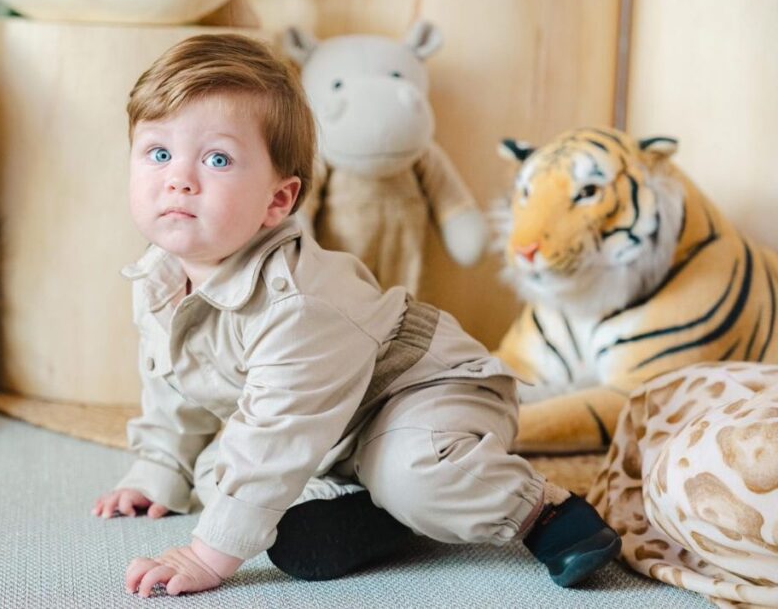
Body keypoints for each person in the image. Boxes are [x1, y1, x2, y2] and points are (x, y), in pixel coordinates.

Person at [92, 33, 621, 598]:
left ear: (279, 200)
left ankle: (545, 513)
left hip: (423, 389)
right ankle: (371, 510)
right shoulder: (158, 276)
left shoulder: (300, 303)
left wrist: (206, 554)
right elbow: (174, 382)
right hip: (330, 428)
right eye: (158, 153)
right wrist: (159, 469)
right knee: (220, 473)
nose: (179, 178)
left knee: (414, 473)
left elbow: (278, 436)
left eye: (217, 159)